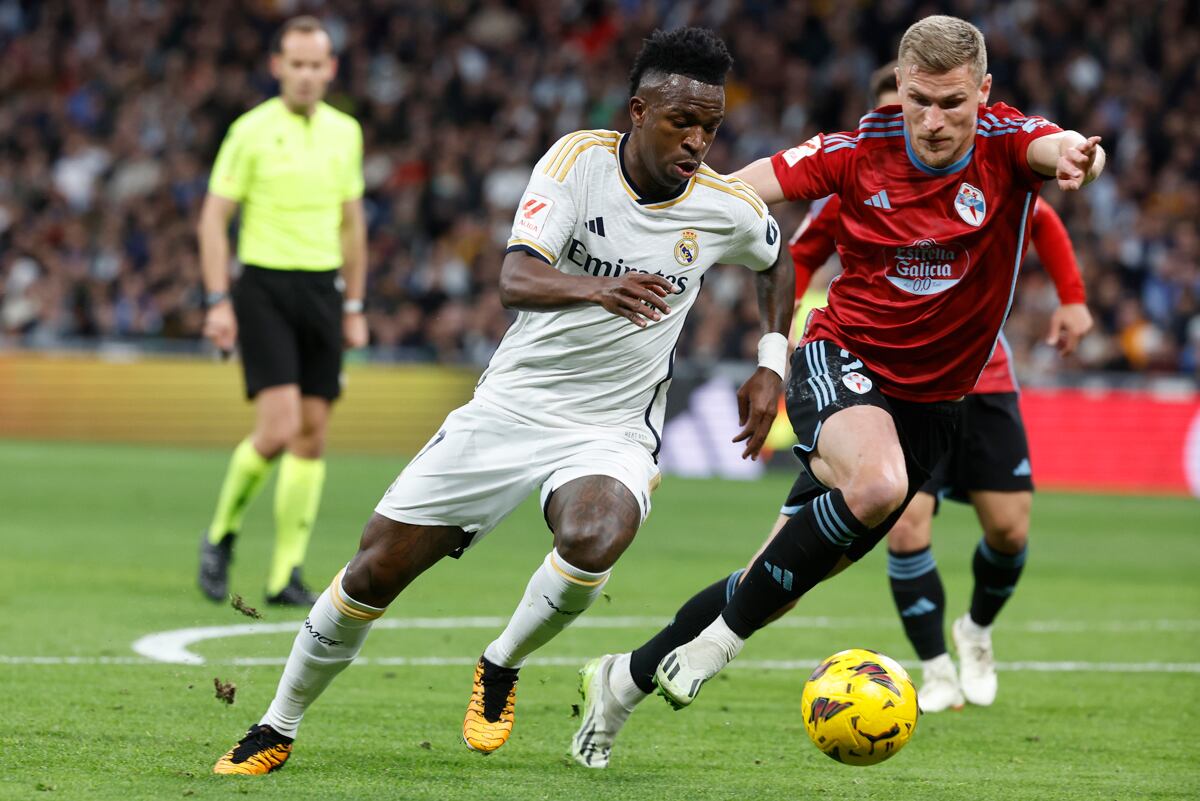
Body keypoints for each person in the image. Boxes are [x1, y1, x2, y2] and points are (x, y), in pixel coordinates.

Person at [212, 27, 794, 775]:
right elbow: (515, 279)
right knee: (375, 569)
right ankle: (276, 723)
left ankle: (501, 661)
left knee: (597, 534)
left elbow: (777, 260)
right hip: (512, 406)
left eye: (711, 127)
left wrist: (770, 363)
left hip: (612, 427)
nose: (699, 141)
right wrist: (599, 287)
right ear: (639, 110)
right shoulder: (577, 163)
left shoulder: (724, 206)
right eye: (683, 121)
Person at [571, 15, 1104, 768]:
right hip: (838, 360)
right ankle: (719, 646)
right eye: (920, 98)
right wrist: (657, 214)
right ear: (900, 85)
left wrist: (1084, 156)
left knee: (772, 580)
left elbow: (1060, 148)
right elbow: (745, 188)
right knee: (881, 482)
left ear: (983, 93)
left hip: (932, 411)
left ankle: (620, 680)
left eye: (954, 102)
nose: (935, 119)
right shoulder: (858, 152)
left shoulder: (1008, 145)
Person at [769, 63, 1095, 713]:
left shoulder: (989, 169)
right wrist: (775, 347)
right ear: (884, 116)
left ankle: (974, 629)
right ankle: (935, 666)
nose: (930, 125)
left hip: (981, 376)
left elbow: (1044, 222)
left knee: (1008, 529)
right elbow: (796, 257)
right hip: (892, 381)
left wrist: (1073, 298)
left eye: (946, 110)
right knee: (907, 520)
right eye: (911, 109)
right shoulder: (854, 181)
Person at [196, 16, 368, 607]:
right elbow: (213, 220)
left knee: (313, 436)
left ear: (330, 69)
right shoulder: (248, 131)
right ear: (277, 67)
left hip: (323, 290)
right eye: (295, 64)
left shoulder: (346, 133)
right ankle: (219, 536)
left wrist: (354, 304)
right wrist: (218, 300)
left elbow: (352, 224)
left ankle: (284, 576)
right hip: (263, 287)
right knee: (277, 429)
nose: (306, 74)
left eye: (316, 64)